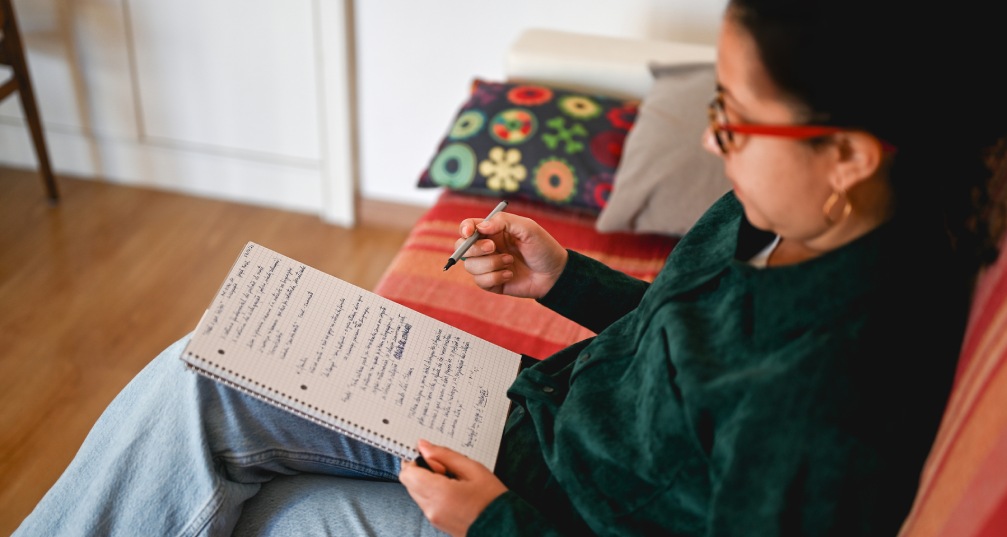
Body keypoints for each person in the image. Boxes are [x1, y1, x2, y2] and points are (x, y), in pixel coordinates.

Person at [14, 0, 1007, 535]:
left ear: (848, 154)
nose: (714, 144)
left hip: (536, 508)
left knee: (270, 514)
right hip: (517, 417)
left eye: (734, 118)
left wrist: (492, 529)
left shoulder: (834, 399)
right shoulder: (788, 211)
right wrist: (561, 277)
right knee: (203, 373)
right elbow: (684, 341)